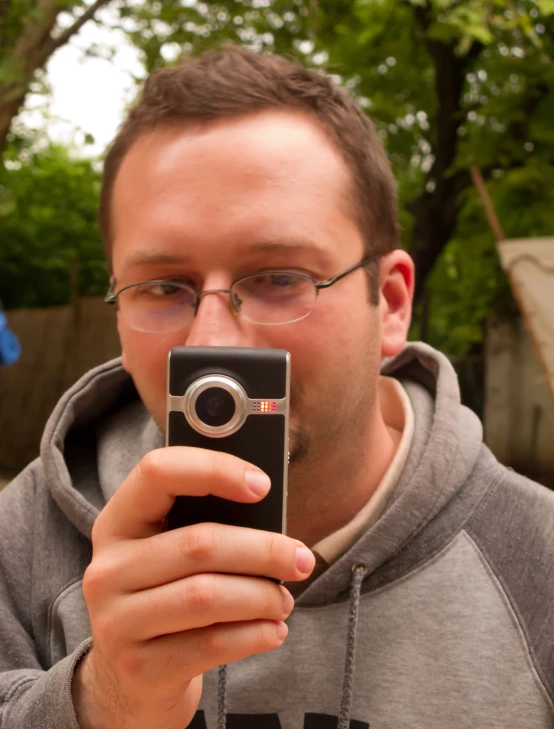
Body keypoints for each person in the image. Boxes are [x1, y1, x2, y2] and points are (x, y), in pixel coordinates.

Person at [1, 45, 553, 729]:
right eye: (162, 287)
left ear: (392, 302)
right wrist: (100, 701)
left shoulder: (539, 564)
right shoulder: (20, 543)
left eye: (280, 278)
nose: (211, 343)